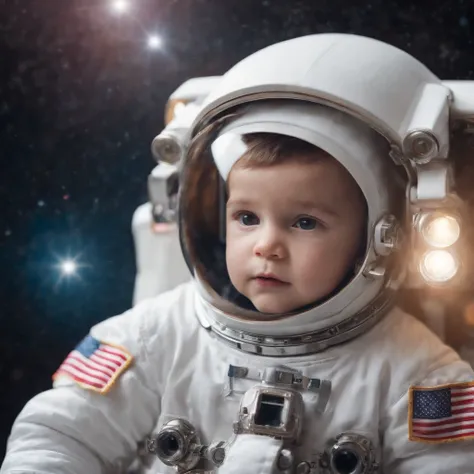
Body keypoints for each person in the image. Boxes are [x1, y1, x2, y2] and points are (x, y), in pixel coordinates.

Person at [3, 33, 474, 474]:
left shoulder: (418, 375)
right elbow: (57, 433)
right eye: (247, 218)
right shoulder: (157, 337)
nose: (267, 245)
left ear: (378, 237)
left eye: (304, 222)